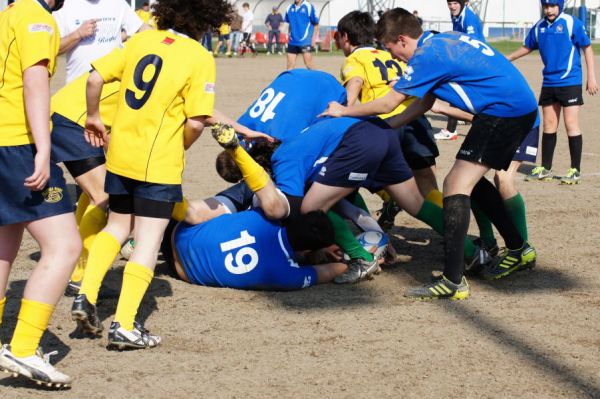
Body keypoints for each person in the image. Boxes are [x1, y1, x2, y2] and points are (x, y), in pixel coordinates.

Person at [321, 8, 538, 299]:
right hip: (509, 107)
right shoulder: (439, 41)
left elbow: (388, 103)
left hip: (504, 112)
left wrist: (344, 111)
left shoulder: (425, 56)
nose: (394, 57)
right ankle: (518, 248)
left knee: (455, 185)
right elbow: (425, 101)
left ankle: (453, 280)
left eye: (391, 49)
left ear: (401, 39)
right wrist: (386, 126)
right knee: (467, 182)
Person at [70, 0, 231, 350]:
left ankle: (85, 295)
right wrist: (181, 147)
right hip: (157, 161)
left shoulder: (141, 40)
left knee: (116, 226)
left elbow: (95, 77)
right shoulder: (199, 56)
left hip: (120, 155)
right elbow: (196, 121)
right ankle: (125, 325)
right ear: (209, 19)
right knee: (147, 240)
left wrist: (94, 116)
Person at [0, 0, 81, 387]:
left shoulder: (7, 16)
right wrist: (44, 148)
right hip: (17, 143)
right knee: (64, 246)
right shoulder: (36, 16)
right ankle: (23, 348)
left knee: (3, 248)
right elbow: (34, 81)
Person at [335, 10, 441, 232]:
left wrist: (346, 108)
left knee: (363, 173)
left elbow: (355, 80)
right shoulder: (389, 53)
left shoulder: (354, 58)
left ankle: (391, 198)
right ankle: (452, 227)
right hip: (415, 118)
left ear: (345, 37)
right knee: (426, 182)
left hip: (385, 123)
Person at [508, 0, 597, 184]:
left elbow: (587, 47)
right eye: (546, 6)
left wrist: (591, 77)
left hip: (570, 82)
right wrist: (507, 58)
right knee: (549, 125)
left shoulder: (571, 23)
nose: (549, 10)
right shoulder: (539, 27)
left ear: (560, 6)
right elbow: (527, 47)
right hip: (549, 82)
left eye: (553, 6)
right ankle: (546, 168)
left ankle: (575, 170)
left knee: (571, 123)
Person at [50, 73, 120, 297]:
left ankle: (75, 269)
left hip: (65, 112)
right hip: (74, 121)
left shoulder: (137, 50)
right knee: (103, 196)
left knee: (93, 193)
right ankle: (80, 276)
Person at [53, 0, 150, 83]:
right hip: (78, 89)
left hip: (112, 90)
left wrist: (163, 33)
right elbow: (53, 49)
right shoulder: (65, 6)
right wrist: (78, 34)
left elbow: (141, 28)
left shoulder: (118, 3)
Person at [437, 0, 486, 141]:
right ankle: (463, 119)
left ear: (464, 3)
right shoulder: (456, 15)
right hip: (467, 59)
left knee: (455, 90)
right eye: (449, 3)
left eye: (455, 3)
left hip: (474, 60)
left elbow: (473, 43)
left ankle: (451, 131)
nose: (452, 6)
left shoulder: (468, 18)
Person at [285, 0, 319, 70]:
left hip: (305, 41)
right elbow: (290, 24)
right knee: (290, 66)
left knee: (309, 64)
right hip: (292, 41)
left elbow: (316, 24)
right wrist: (289, 35)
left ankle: (316, 80)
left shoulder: (308, 6)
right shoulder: (289, 8)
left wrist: (313, 39)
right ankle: (291, 81)